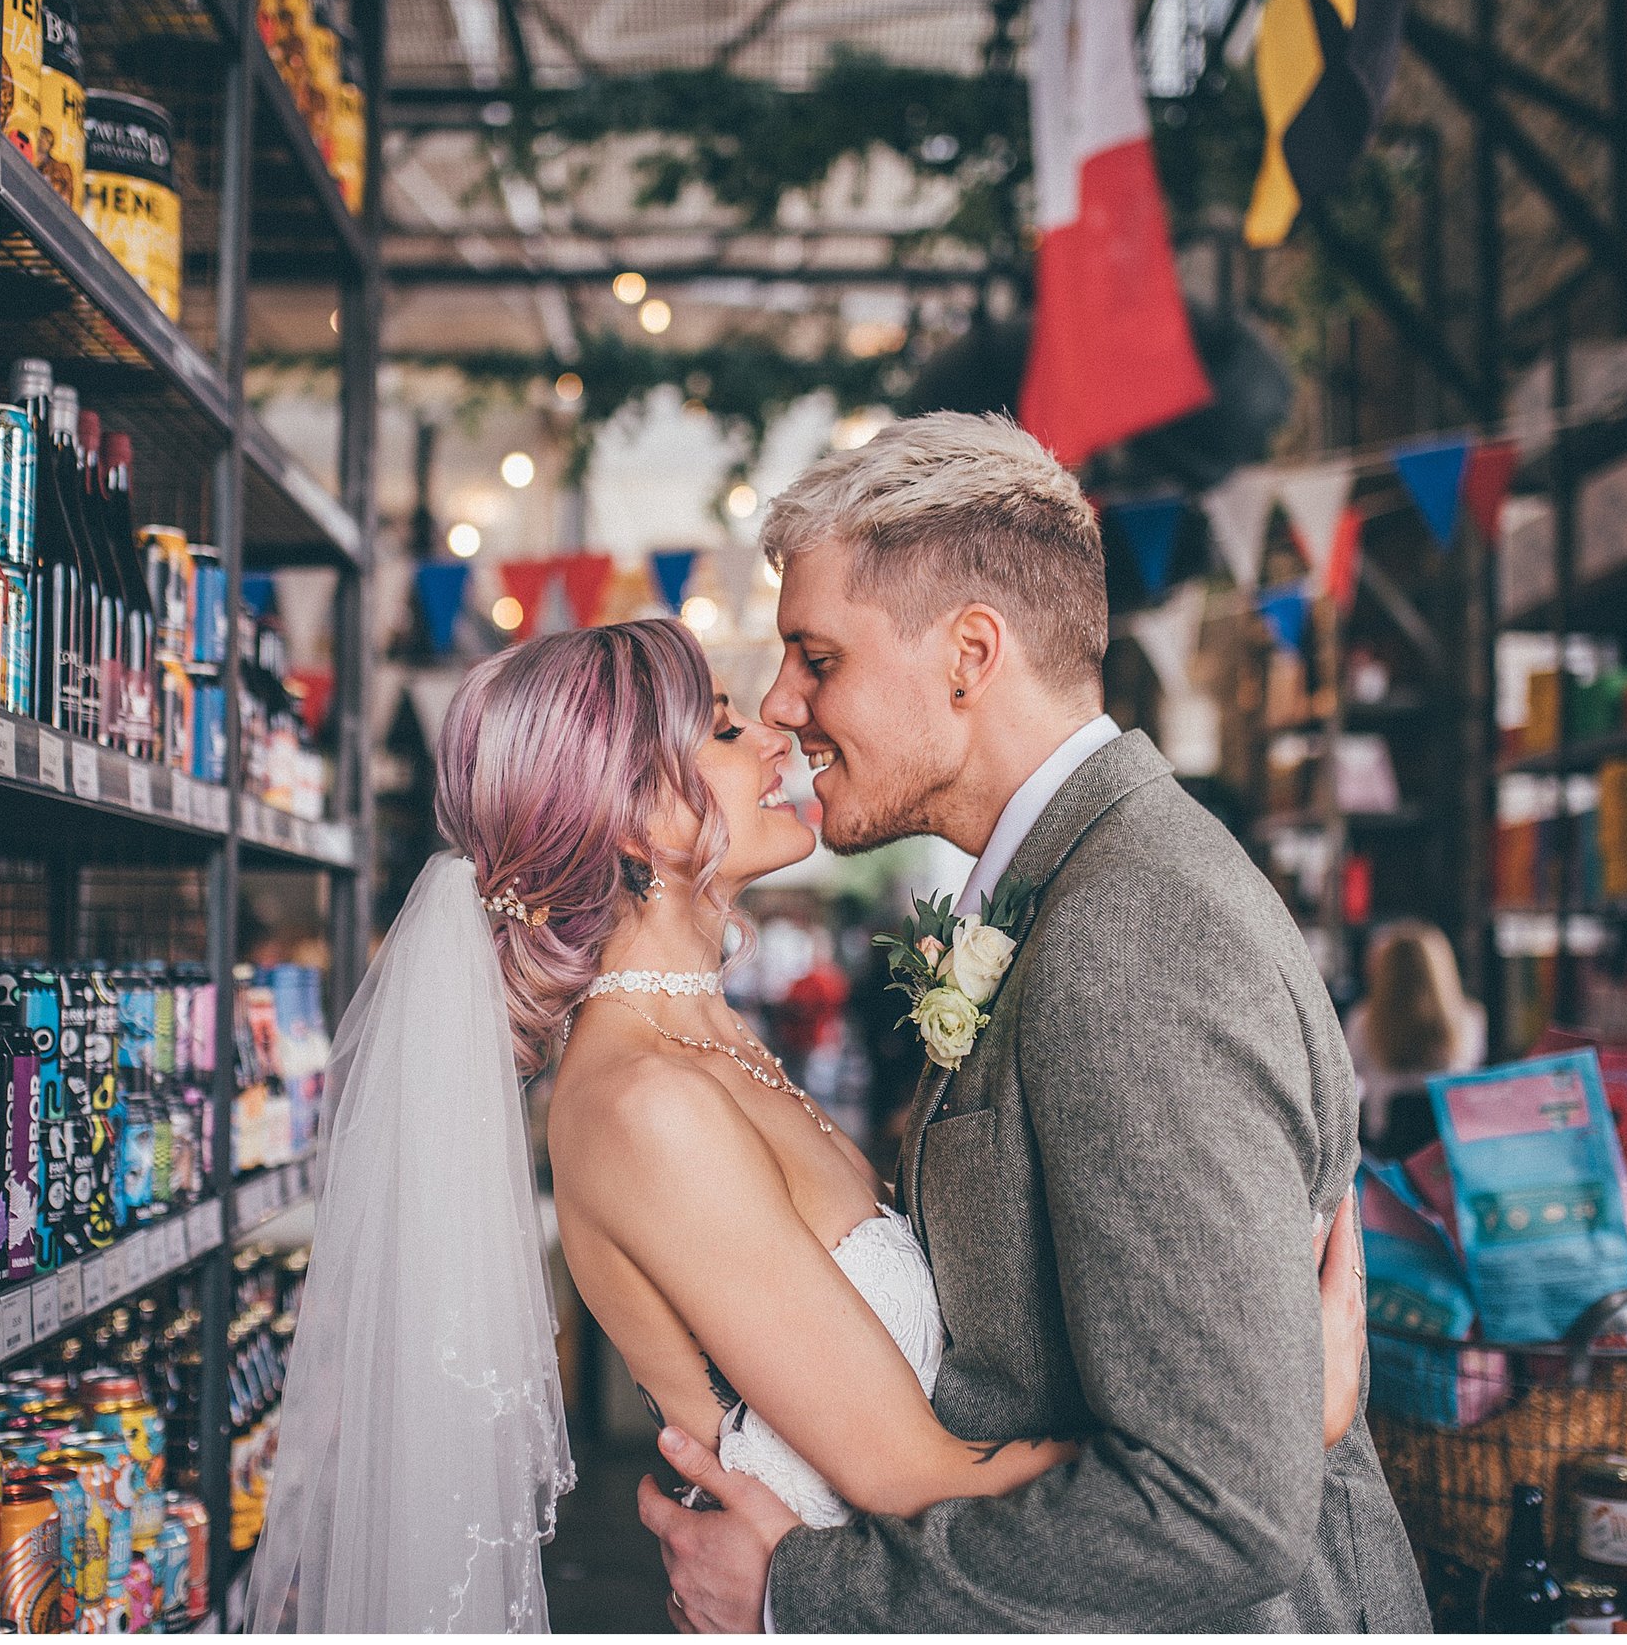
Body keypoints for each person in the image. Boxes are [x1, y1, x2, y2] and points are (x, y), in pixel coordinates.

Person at [243, 610, 1373, 1632]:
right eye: (727, 733)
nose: (780, 736)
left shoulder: (713, 1043)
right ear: (635, 816)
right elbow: (915, 1473)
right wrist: (1266, 1433)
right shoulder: (644, 1106)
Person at [639, 412, 1430, 1632]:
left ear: (967, 653)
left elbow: (1213, 1509)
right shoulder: (1074, 889)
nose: (783, 705)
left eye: (817, 656)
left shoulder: (1135, 936)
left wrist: (807, 1591)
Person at [1349, 919, 1487, 1154]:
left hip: (1387, 1148)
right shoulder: (1470, 1019)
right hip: (1447, 1144)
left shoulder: (1362, 1020)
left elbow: (1351, 1082)